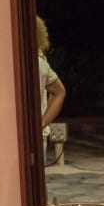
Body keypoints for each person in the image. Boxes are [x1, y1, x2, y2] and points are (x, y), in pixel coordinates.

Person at [37, 16, 66, 158]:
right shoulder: (41, 62)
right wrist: (43, 122)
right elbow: (59, 92)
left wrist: (42, 122)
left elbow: (59, 92)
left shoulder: (37, 63)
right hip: (38, 134)